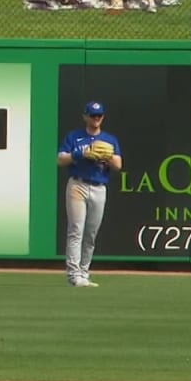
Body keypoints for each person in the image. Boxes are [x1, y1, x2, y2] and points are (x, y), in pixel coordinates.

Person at [56, 102, 122, 288]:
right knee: (76, 230)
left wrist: (105, 156)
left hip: (99, 186)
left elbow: (118, 165)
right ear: (85, 116)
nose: (96, 118)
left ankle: (84, 272)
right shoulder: (75, 137)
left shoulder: (109, 139)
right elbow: (60, 159)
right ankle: (73, 275)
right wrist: (81, 153)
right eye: (93, 115)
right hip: (78, 184)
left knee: (91, 233)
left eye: (99, 115)